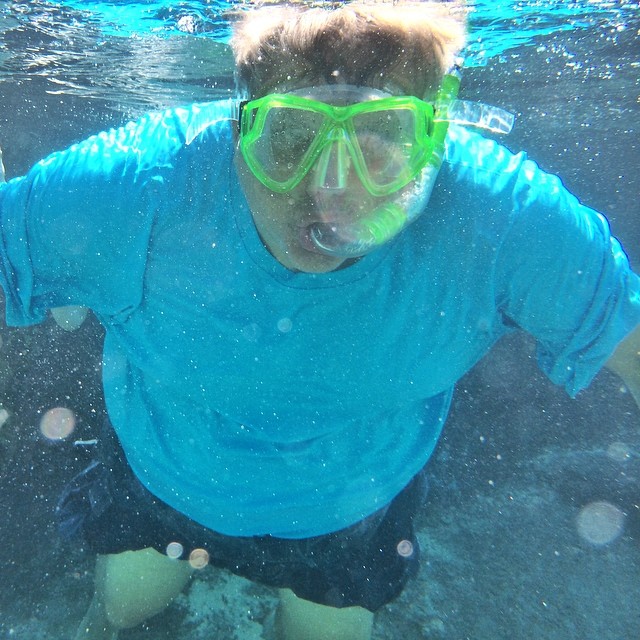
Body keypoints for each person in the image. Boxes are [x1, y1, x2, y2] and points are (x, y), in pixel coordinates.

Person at [0, 2, 638, 639]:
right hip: (164, 478)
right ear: (238, 123)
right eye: (290, 138)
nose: (331, 191)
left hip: (350, 509)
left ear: (436, 137)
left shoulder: (505, 221)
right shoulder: (138, 186)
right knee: (117, 615)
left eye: (380, 144)